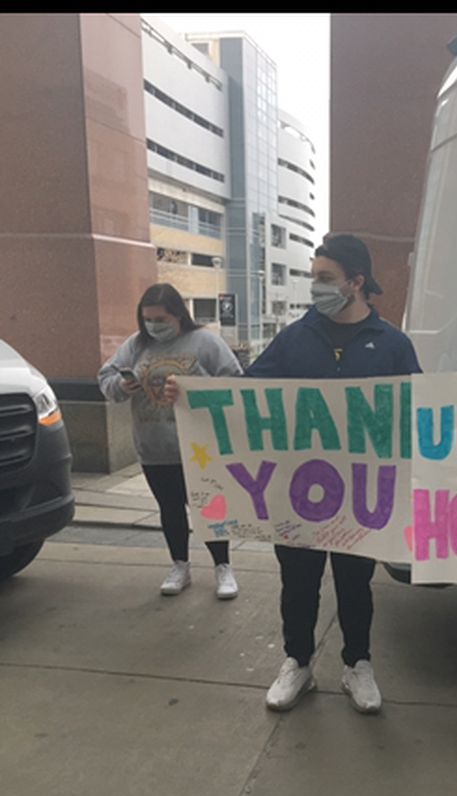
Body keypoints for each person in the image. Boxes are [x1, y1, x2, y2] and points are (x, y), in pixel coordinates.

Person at [171, 234, 422, 714]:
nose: (316, 287)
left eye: (325, 278)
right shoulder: (294, 339)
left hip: (360, 496)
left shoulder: (392, 344)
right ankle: (298, 662)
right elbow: (246, 399)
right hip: (296, 493)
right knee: (299, 582)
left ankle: (358, 664)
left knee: (355, 584)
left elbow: (422, 407)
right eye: (314, 278)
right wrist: (186, 395)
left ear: (356, 282)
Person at [99, 283, 243, 599]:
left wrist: (197, 390)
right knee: (170, 508)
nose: (154, 326)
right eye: (148, 319)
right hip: (154, 446)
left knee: (209, 508)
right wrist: (123, 385)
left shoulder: (205, 342)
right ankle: (180, 565)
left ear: (178, 314)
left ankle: (223, 567)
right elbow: (105, 380)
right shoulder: (136, 345)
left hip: (199, 447)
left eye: (161, 319)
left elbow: (235, 382)